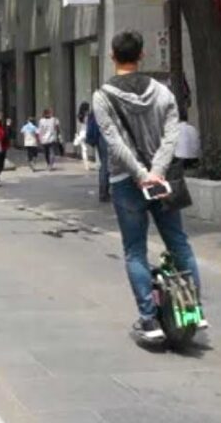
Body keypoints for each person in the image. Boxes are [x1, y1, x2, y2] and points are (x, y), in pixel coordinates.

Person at [92, 30, 206, 342]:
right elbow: (172, 136)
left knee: (135, 251)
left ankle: (148, 319)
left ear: (113, 57)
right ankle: (195, 308)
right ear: (142, 56)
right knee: (179, 243)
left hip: (126, 182)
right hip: (163, 180)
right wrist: (156, 172)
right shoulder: (163, 92)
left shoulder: (102, 97)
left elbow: (114, 143)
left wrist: (141, 174)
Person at [84, 111, 110, 202]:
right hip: (105, 136)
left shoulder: (96, 108)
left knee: (104, 163)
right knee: (106, 164)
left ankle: (104, 192)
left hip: (99, 137)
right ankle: (104, 192)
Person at [73, 102, 92, 171]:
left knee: (84, 149)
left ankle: (86, 164)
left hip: (82, 131)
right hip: (87, 131)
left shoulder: (80, 115)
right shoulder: (89, 115)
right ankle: (77, 139)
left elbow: (80, 124)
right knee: (85, 148)